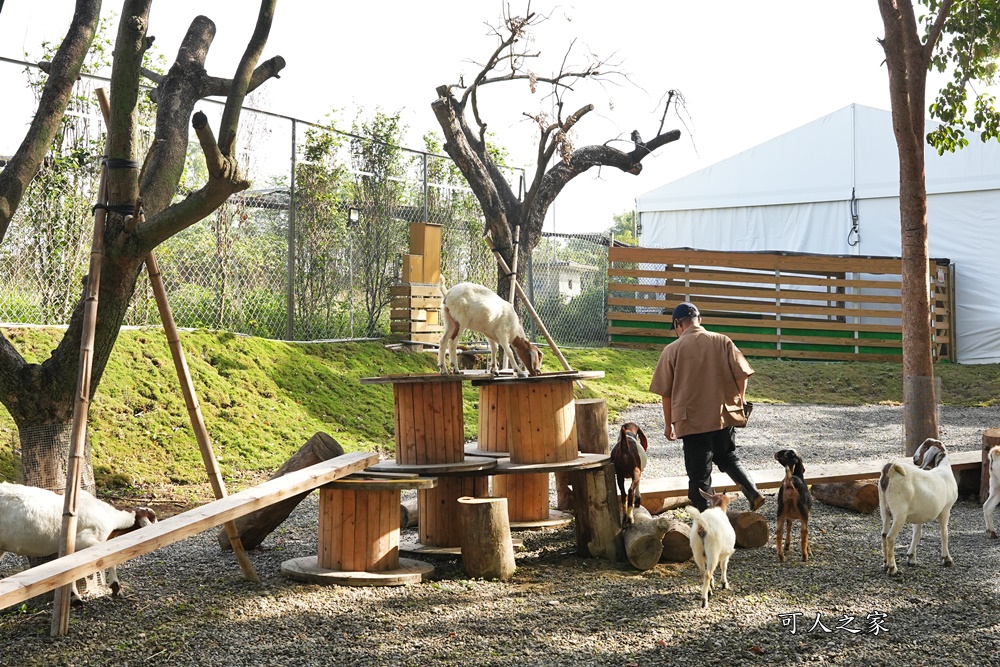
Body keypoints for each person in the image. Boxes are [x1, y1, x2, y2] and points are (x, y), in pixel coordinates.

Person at [648, 302, 765, 512]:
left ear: (678, 324)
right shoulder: (722, 341)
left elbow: (665, 394)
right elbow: (742, 374)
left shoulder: (671, 350)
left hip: (692, 422)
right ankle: (753, 492)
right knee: (727, 456)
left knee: (699, 476)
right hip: (722, 415)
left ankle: (707, 524)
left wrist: (668, 425)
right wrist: (740, 398)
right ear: (699, 320)